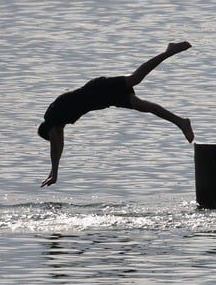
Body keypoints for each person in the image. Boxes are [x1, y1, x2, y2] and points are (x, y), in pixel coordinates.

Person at [37, 41, 195, 187]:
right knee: (143, 105)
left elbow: (55, 146)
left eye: (54, 135)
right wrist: (53, 172)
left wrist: (55, 173)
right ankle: (180, 122)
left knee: (135, 78)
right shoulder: (58, 122)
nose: (58, 135)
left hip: (98, 90)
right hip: (103, 100)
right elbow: (59, 145)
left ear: (48, 131)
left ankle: (169, 51)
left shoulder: (51, 117)